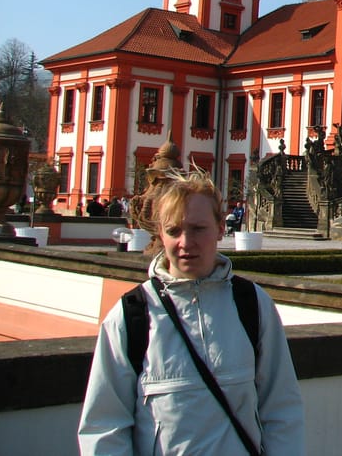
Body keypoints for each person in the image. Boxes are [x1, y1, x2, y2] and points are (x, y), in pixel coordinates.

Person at [78, 170, 304, 455]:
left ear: (221, 228)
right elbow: (104, 427)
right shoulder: (132, 316)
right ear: (160, 233)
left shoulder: (253, 305)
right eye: (174, 230)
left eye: (198, 228)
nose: (186, 243)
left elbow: (282, 410)